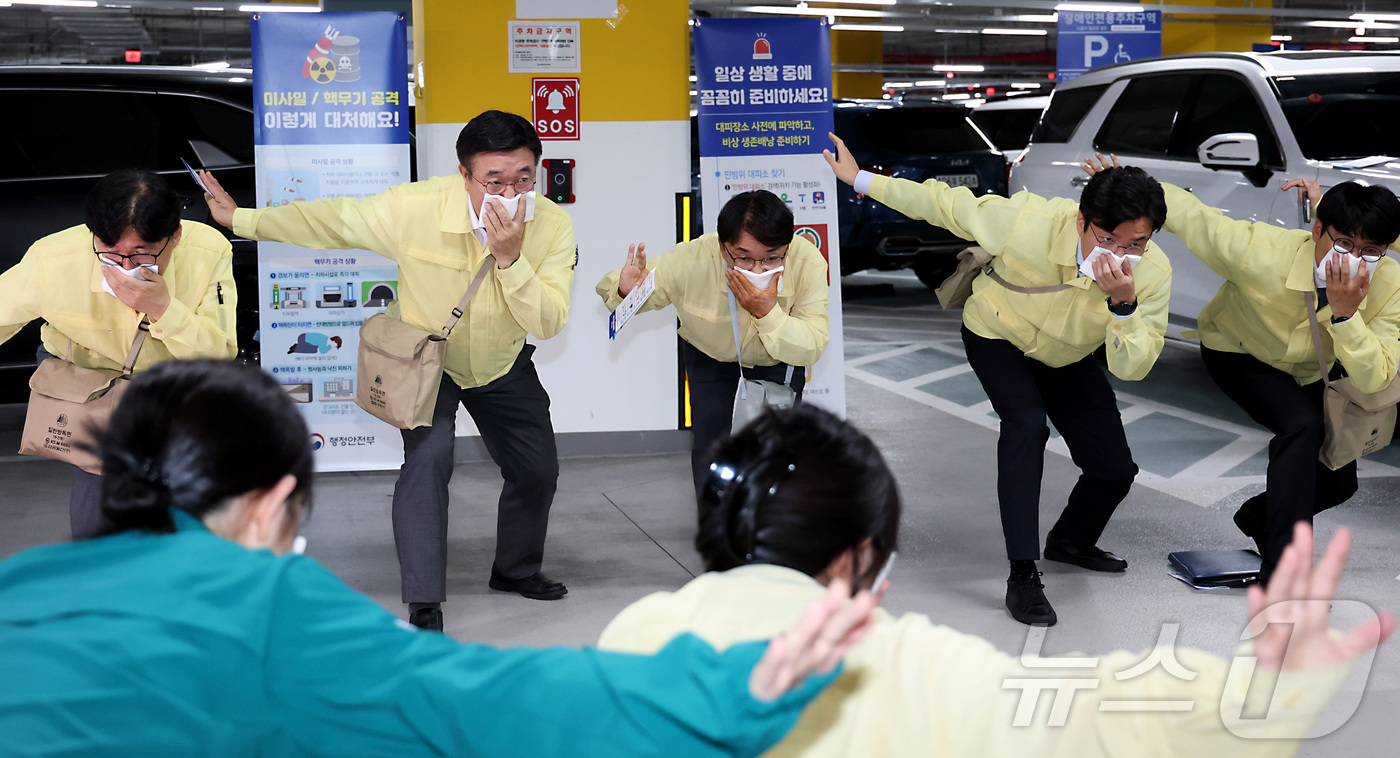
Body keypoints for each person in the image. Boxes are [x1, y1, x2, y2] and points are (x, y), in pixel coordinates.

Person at [0, 359, 881, 757]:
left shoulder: (21, 585)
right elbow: (497, 708)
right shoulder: (268, 612)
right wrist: (728, 687)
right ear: (270, 503)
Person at [599, 404, 1395, 758]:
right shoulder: (908, 663)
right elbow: (1098, 713)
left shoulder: (631, 640)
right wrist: (1269, 692)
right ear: (860, 553)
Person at [202, 110, 574, 631]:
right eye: (494, 180)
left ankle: (515, 570)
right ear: (464, 174)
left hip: (502, 363)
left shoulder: (552, 225)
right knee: (428, 460)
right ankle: (424, 600)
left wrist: (513, 260)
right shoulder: (414, 208)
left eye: (524, 179)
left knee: (538, 471)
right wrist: (240, 220)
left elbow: (551, 321)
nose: (510, 194)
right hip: (429, 361)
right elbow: (330, 219)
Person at [823, 133, 1172, 626]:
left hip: (1068, 354)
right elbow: (941, 203)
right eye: (1107, 239)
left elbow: (1133, 367)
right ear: (1081, 222)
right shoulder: (1023, 222)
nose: (1120, 254)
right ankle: (1023, 574)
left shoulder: (1152, 274)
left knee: (1115, 468)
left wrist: (1122, 308)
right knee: (1027, 425)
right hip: (998, 336)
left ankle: (1071, 540)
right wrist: (859, 178)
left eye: (1137, 243)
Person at [1084, 154, 1400, 585]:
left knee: (1339, 483)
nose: (1353, 260)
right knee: (1300, 427)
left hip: (1311, 371)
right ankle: (1285, 568)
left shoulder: (1389, 286)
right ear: (1316, 231)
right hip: (1237, 353)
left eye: (1370, 252)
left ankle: (1258, 515)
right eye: (1342, 244)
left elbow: (1375, 378)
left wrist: (1346, 317)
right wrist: (1121, 186)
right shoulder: (1256, 250)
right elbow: (1195, 218)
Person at [0, 169, 237, 538]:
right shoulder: (53, 258)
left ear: (175, 235)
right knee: (101, 487)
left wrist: (165, 309)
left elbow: (220, 352)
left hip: (172, 383)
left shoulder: (208, 250)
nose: (125, 267)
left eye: (141, 254)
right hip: (87, 383)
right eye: (111, 254)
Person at [596, 190, 830, 496]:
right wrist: (626, 290)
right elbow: (637, 286)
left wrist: (768, 314)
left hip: (779, 356)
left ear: (788, 245)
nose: (757, 269)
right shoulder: (693, 259)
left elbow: (813, 343)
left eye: (772, 257)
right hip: (710, 353)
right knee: (711, 443)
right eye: (744, 257)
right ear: (723, 246)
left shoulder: (806, 260)